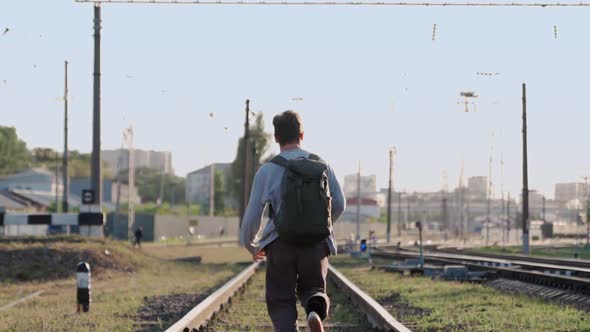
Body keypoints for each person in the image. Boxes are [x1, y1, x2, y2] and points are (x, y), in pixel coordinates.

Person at [240, 111, 346, 332]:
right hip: (315, 245)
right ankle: (314, 312)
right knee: (315, 289)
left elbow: (252, 217)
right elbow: (340, 204)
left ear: (276, 138)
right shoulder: (322, 165)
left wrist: (252, 245)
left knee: (280, 299)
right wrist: (322, 226)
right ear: (302, 135)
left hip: (280, 244)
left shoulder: (267, 171)